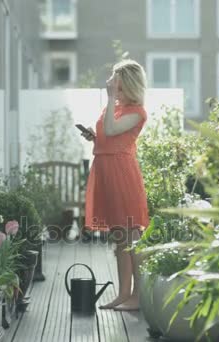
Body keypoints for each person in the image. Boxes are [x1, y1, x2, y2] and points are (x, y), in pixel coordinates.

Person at [81, 59, 150, 311]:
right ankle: (124, 294)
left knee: (132, 236)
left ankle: (138, 296)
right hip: (106, 172)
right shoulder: (116, 107)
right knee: (120, 238)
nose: (113, 87)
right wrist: (93, 136)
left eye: (118, 85)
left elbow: (111, 129)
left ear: (128, 86)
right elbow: (107, 136)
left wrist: (110, 99)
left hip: (122, 175)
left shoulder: (136, 112)